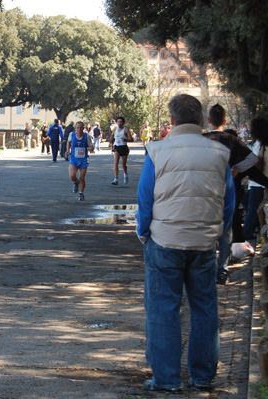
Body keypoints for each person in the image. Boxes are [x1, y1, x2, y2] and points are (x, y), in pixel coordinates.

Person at [137, 94, 235, 393]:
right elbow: (229, 202)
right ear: (202, 119)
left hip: (165, 240)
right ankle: (203, 375)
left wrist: (144, 233)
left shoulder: (157, 151)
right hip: (204, 242)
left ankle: (166, 379)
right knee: (205, 307)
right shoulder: (219, 154)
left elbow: (145, 199)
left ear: (171, 121)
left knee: (163, 309)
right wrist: (217, 233)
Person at [204, 105, 268, 284]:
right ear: (225, 121)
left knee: (207, 231)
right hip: (229, 190)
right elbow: (253, 159)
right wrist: (236, 169)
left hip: (206, 191)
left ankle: (207, 267)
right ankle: (222, 269)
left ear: (208, 121)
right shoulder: (231, 139)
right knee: (226, 231)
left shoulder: (202, 139)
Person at [244, 118, 268, 244]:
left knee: (253, 208)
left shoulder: (262, 144)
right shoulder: (260, 143)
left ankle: (247, 233)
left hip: (259, 183)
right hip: (256, 182)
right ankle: (255, 226)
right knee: (249, 205)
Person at [67, 122, 94, 201]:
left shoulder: (87, 136)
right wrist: (67, 150)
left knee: (82, 178)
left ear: (83, 128)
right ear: (76, 128)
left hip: (83, 159)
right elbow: (68, 142)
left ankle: (81, 193)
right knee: (72, 176)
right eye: (77, 128)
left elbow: (91, 146)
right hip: (74, 159)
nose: (79, 129)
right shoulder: (71, 135)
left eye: (80, 128)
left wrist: (90, 149)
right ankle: (76, 182)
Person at [109, 116, 133, 185]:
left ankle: (125, 174)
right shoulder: (114, 130)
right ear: (116, 122)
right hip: (117, 147)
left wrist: (125, 139)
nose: (119, 123)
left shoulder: (126, 130)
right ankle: (116, 178)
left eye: (121, 122)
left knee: (123, 164)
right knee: (116, 162)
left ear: (123, 123)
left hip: (124, 147)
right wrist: (110, 142)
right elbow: (111, 137)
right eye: (118, 122)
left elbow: (131, 139)